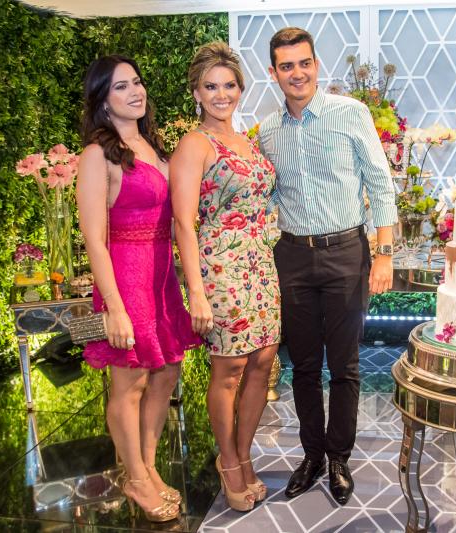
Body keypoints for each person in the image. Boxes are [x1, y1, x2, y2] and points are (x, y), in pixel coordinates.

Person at [258, 27, 397, 506]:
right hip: (292, 256)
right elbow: (268, 197)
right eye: (286, 66)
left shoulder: (349, 113)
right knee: (302, 366)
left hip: (345, 253)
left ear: (316, 65)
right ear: (273, 72)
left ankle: (339, 457)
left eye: (304, 63)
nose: (297, 73)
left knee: (344, 365)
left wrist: (384, 253)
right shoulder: (268, 130)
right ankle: (312, 455)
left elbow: (380, 183)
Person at [76, 54, 202, 523]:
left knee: (166, 374)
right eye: (121, 86)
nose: (135, 91)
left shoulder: (151, 146)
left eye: (137, 82)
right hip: (126, 278)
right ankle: (133, 476)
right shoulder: (97, 154)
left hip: (161, 276)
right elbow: (94, 237)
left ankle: (147, 467)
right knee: (130, 382)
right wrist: (113, 306)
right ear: (102, 99)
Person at [171, 42, 280, 513]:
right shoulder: (194, 144)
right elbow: (183, 223)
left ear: (240, 88)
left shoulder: (247, 141)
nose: (222, 94)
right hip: (221, 267)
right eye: (211, 86)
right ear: (196, 92)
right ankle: (229, 461)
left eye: (229, 85)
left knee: (264, 361)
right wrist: (196, 291)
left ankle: (244, 453)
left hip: (261, 264)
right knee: (230, 368)